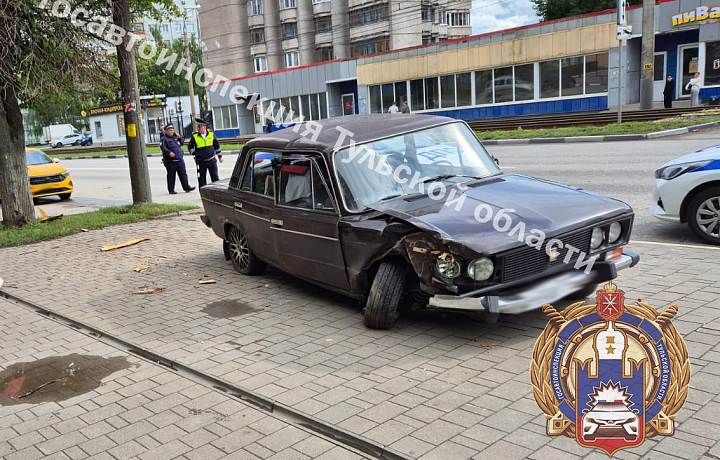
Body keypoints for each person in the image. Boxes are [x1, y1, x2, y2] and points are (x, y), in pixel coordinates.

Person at [159, 124, 195, 194]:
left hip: (180, 160)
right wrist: (169, 152)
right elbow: (163, 147)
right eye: (170, 130)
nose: (172, 132)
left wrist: (179, 138)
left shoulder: (175, 137)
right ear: (166, 131)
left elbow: (182, 143)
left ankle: (186, 187)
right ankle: (171, 190)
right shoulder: (164, 139)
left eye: (173, 130)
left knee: (183, 174)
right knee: (171, 176)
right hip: (171, 161)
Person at [188, 118, 223, 188]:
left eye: (199, 127)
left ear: (204, 127)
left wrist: (220, 156)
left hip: (211, 160)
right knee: (201, 179)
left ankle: (216, 192)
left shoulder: (211, 134)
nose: (197, 128)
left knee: (215, 178)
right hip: (201, 162)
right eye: (197, 127)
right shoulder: (194, 136)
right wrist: (195, 153)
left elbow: (216, 146)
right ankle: (203, 192)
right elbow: (190, 146)